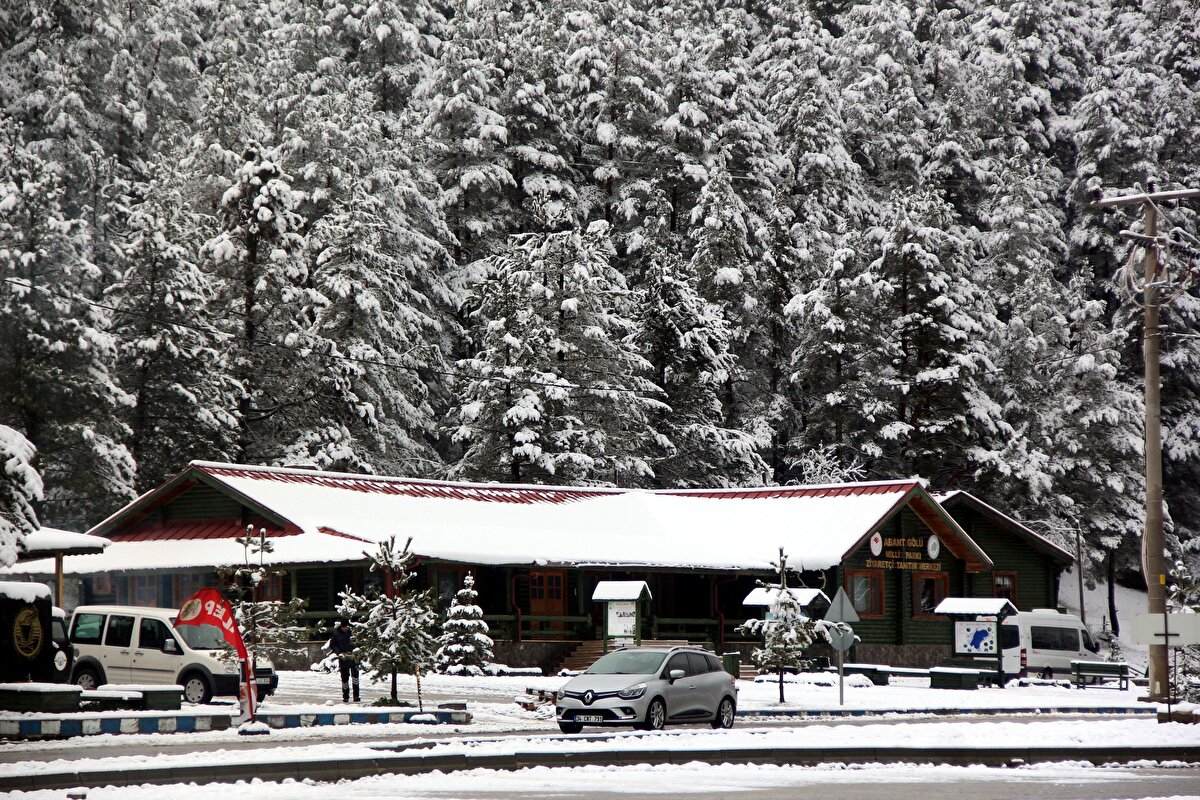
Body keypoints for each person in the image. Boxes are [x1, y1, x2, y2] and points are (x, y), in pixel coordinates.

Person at [328, 619, 360, 702]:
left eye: (347, 627)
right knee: (345, 678)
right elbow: (332, 645)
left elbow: (359, 642)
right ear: (341, 627)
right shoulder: (336, 634)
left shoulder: (353, 632)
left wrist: (357, 651)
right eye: (344, 627)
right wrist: (339, 652)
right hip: (343, 658)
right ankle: (345, 696)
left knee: (355, 677)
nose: (346, 628)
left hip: (353, 657)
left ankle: (356, 696)